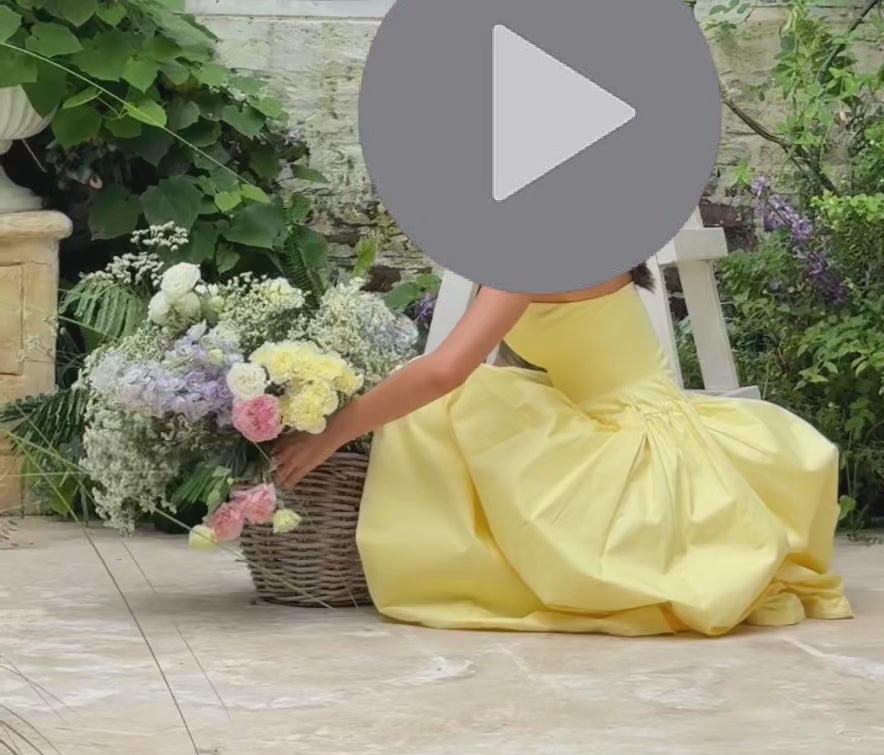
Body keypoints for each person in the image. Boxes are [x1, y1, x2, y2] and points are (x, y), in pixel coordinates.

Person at [274, 265, 852, 635]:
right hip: (666, 423)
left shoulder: (529, 253)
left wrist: (333, 431)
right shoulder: (599, 229)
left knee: (438, 402)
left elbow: (444, 371)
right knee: (486, 392)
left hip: (629, 446)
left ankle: (454, 560)